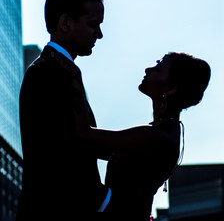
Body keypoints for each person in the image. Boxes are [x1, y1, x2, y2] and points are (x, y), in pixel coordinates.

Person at [15, 0, 111, 221]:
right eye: (93, 24)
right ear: (65, 22)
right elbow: (74, 148)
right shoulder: (53, 71)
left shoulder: (53, 69)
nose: (99, 34)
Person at [74, 52, 211, 219]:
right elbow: (94, 144)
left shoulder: (156, 136)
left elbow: (84, 136)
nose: (148, 69)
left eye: (158, 69)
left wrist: (72, 80)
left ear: (171, 88)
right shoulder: (162, 132)